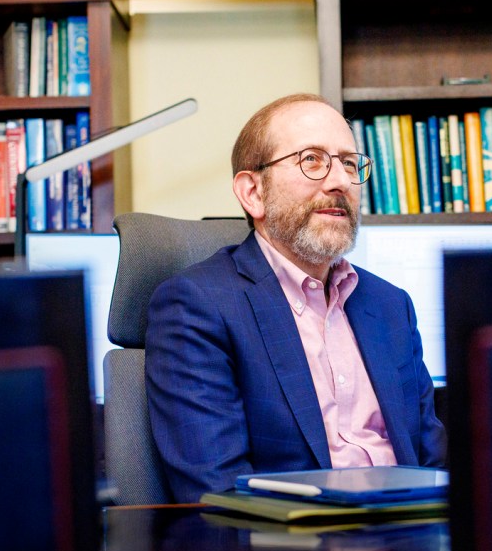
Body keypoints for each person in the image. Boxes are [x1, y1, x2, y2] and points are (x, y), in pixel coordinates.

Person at [145, 93, 447, 503]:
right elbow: (217, 493)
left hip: (417, 543)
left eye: (349, 163)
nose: (340, 181)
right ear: (253, 193)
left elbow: (436, 464)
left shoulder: (391, 306)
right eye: (312, 160)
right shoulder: (198, 305)